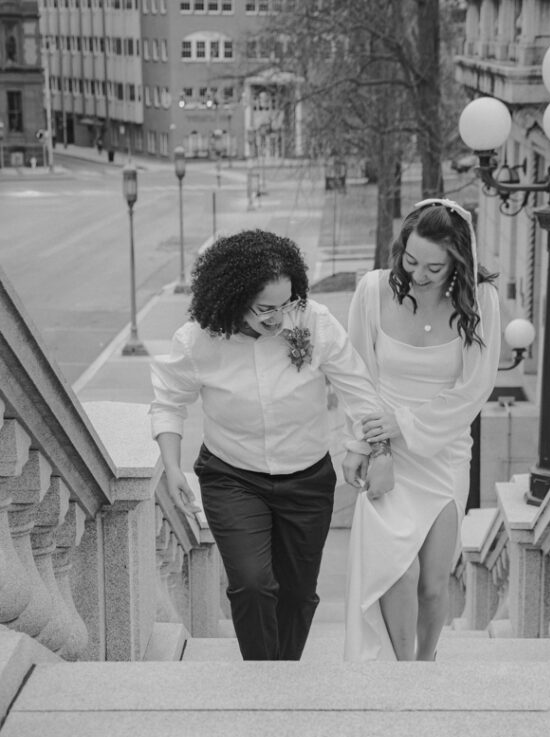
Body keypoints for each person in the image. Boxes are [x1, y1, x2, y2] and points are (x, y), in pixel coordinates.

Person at [149, 229, 392, 661]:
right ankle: (263, 679)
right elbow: (169, 404)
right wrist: (171, 468)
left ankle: (284, 671)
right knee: (252, 583)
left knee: (298, 595)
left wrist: (361, 445)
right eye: (266, 308)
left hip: (308, 478)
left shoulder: (313, 321)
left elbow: (359, 388)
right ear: (234, 296)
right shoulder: (197, 340)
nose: (280, 317)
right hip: (232, 478)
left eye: (288, 303)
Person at [342, 198, 501, 662]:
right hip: (385, 452)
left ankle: (426, 664)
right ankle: (401, 670)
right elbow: (357, 375)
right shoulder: (372, 291)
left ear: (458, 261)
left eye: (434, 266)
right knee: (398, 572)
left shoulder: (481, 301)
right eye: (411, 260)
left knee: (433, 583)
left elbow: (474, 390)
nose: (419, 274)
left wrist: (408, 423)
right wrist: (360, 442)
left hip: (444, 451)